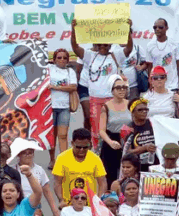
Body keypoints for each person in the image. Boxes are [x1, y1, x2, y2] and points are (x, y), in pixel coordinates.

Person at [71, 19, 134, 148]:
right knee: (96, 129)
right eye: (100, 44)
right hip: (95, 100)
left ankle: (116, 149)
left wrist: (128, 30)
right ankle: (97, 151)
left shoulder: (116, 55)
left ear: (110, 45)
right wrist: (73, 30)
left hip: (112, 99)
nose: (102, 47)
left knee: (112, 128)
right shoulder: (90, 55)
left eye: (105, 45)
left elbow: (129, 48)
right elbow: (75, 47)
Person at [52, 128, 108, 208]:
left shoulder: (95, 159)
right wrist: (61, 200)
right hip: (68, 206)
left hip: (89, 207)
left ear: (90, 144)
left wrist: (99, 201)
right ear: (72, 143)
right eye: (78, 147)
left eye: (85, 147)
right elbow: (57, 182)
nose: (81, 150)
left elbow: (102, 182)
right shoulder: (62, 158)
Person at [98, 75, 132, 183]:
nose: (122, 90)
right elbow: (101, 130)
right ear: (112, 90)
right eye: (118, 88)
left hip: (127, 141)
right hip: (112, 139)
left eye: (124, 87)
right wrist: (110, 142)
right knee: (111, 175)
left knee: (128, 173)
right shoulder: (106, 107)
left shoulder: (130, 104)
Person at [49, 48, 78, 157]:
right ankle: (52, 159)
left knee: (63, 135)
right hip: (50, 107)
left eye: (65, 58)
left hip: (64, 107)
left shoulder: (70, 71)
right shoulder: (49, 69)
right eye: (59, 57)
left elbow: (73, 87)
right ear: (54, 59)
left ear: (68, 60)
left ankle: (63, 159)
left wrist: (55, 87)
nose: (62, 60)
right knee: (52, 136)